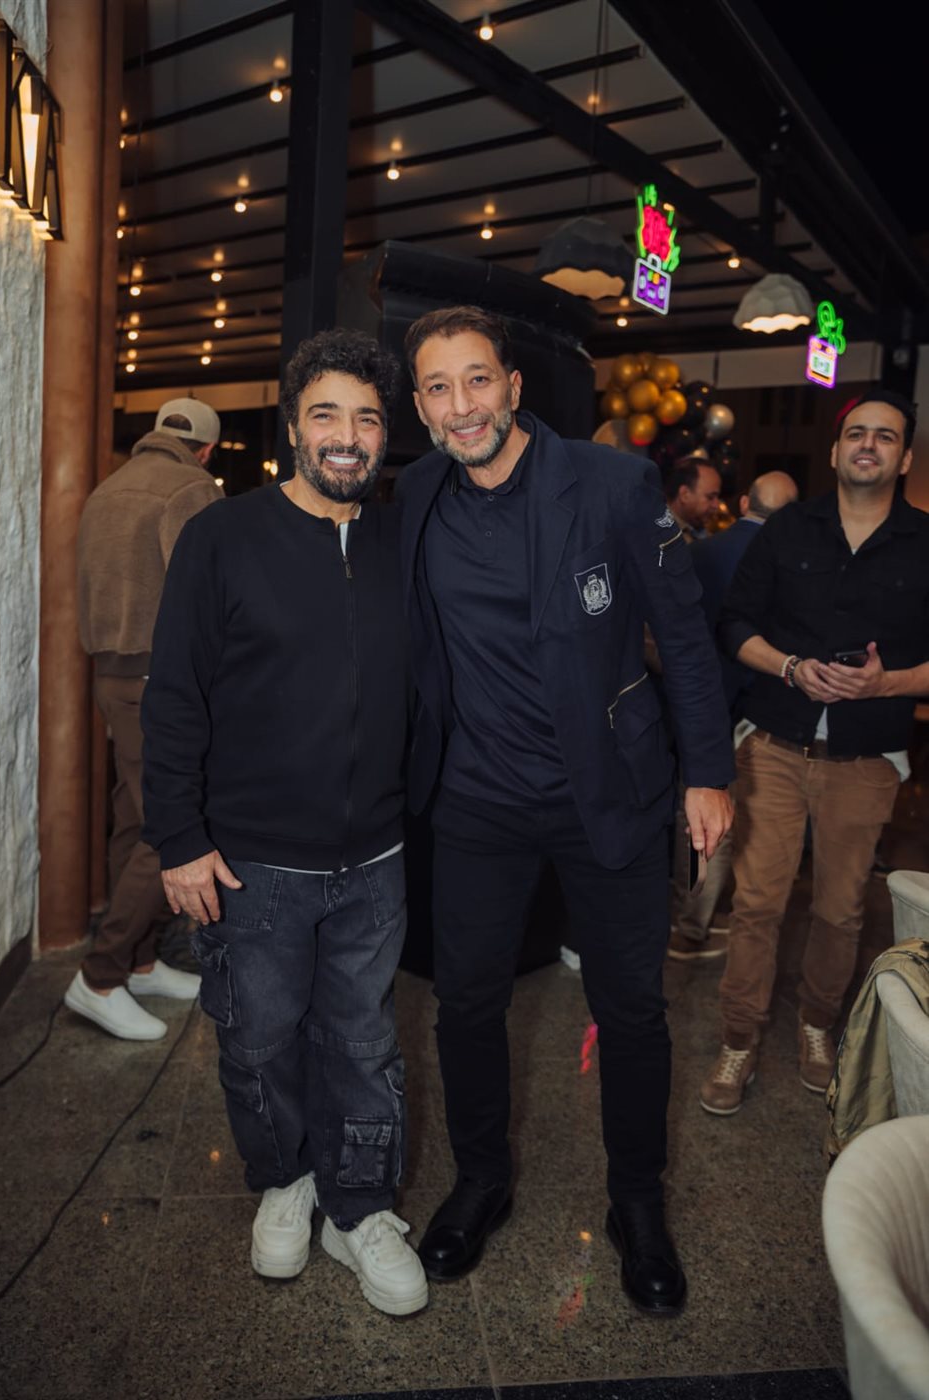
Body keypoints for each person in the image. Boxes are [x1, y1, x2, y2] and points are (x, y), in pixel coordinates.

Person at [397, 305, 733, 1315]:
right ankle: (481, 1179)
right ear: (419, 406)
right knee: (465, 1004)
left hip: (610, 795)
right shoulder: (414, 495)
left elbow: (684, 632)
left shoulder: (611, 483)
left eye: (476, 379)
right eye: (438, 388)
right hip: (475, 803)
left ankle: (637, 1201)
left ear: (512, 386)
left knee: (630, 1010)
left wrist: (707, 771)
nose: (461, 405)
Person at [140, 331, 428, 1317]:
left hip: (375, 858)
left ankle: (360, 1206)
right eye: (326, 414)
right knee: (259, 1042)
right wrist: (178, 838)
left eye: (367, 418)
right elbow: (173, 694)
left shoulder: (396, 541)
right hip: (251, 861)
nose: (348, 435)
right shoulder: (222, 537)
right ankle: (285, 1180)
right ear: (293, 428)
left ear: (384, 435)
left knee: (364, 1044)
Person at [700, 390, 929, 1115]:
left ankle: (817, 1026)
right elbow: (734, 625)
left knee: (839, 911)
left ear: (905, 457)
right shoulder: (789, 528)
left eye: (885, 436)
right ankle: (738, 1038)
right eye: (856, 433)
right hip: (773, 744)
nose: (868, 445)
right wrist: (792, 667)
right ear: (834, 451)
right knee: (757, 903)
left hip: (867, 758)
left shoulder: (925, 541)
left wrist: (885, 683)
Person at [66, 398, 223, 1041]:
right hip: (163, 681)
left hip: (110, 677)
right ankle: (100, 976)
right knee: (169, 826)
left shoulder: (106, 489)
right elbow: (212, 595)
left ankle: (138, 960)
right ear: (207, 450)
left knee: (134, 818)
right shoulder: (193, 489)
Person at [668, 471, 799, 962]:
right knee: (738, 823)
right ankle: (696, 926)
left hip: (698, 702)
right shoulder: (788, 562)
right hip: (758, 709)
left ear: (745, 503)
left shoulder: (701, 553)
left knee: (698, 817)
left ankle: (690, 921)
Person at [664, 455, 722, 541]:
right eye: (710, 497)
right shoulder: (660, 534)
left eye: (717, 497)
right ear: (684, 494)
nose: (716, 505)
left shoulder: (704, 532)